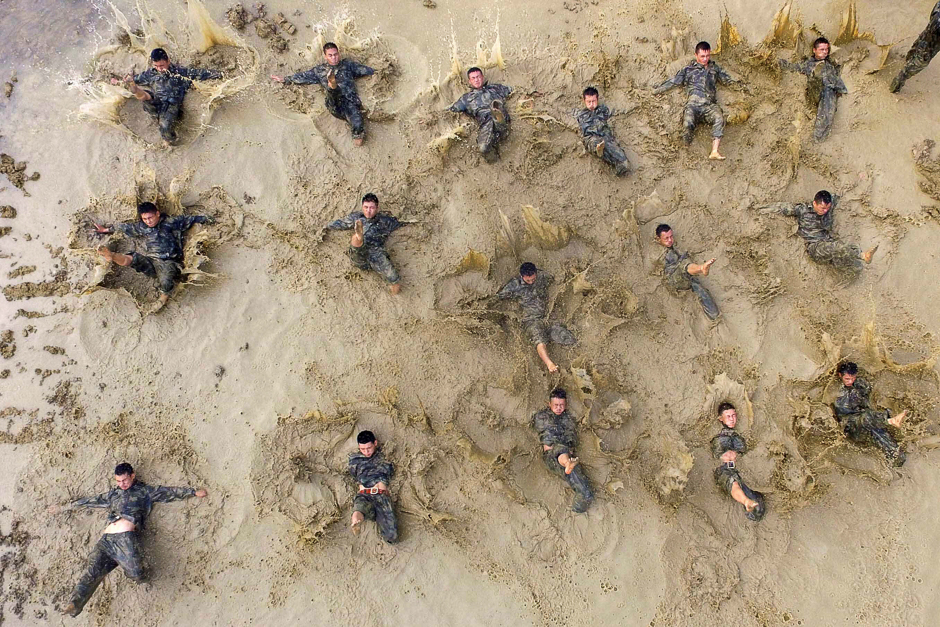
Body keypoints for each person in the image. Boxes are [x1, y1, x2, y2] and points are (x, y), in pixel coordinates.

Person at [47, 462, 208, 617]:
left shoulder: (144, 491)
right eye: (118, 481)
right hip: (106, 541)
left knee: (137, 573)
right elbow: (90, 501)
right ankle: (74, 604)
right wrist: (62, 508)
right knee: (92, 570)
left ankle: (142, 574)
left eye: (124, 480)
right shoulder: (113, 494)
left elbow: (167, 492)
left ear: (132, 475)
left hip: (125, 539)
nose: (122, 484)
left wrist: (193, 492)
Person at [93, 202, 213, 312]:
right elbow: (126, 227)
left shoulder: (170, 222)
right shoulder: (143, 227)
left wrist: (209, 219)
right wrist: (106, 230)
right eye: (145, 219)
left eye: (150, 217)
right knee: (133, 258)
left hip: (169, 261)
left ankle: (162, 300)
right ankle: (112, 255)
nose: (148, 221)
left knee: (166, 279)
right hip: (151, 261)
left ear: (157, 213)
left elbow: (192, 219)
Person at [111, 48, 222, 145]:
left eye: (162, 65)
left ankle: (170, 142)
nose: (159, 69)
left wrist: (219, 74)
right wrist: (119, 82)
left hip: (171, 106)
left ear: (168, 61)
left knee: (164, 126)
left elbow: (201, 73)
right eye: (156, 66)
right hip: (155, 102)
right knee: (146, 96)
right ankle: (136, 91)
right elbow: (136, 79)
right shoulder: (151, 74)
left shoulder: (180, 73)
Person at [652, 41, 742, 160]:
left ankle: (714, 151)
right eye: (702, 56)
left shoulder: (715, 69)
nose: (705, 59)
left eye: (708, 56)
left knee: (719, 118)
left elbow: (728, 81)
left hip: (709, 106)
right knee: (687, 123)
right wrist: (657, 90)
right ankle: (685, 149)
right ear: (696, 55)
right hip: (693, 106)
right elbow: (673, 81)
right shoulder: (688, 69)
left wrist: (742, 87)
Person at [271, 42, 375, 145]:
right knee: (332, 92)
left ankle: (356, 140)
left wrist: (378, 71)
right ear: (325, 56)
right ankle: (332, 84)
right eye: (330, 55)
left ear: (339, 54)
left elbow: (367, 70)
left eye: (335, 54)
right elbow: (303, 76)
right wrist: (285, 79)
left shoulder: (348, 65)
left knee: (358, 124)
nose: (334, 58)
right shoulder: (320, 70)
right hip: (334, 104)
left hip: (350, 103)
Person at [755, 190, 877, 275]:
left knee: (856, 267)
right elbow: (781, 207)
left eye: (827, 208)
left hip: (828, 242)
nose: (825, 211)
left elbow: (843, 194)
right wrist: (759, 209)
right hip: (815, 247)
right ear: (814, 203)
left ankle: (845, 284)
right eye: (822, 208)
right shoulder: (802, 210)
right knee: (837, 247)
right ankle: (861, 255)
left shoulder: (830, 202)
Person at [496, 262, 576, 373]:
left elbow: (558, 279)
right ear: (522, 276)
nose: (531, 282)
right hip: (530, 320)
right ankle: (549, 364)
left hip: (546, 317)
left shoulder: (543, 277)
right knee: (539, 340)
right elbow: (498, 298)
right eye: (528, 280)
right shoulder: (514, 285)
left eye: (533, 279)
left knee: (568, 337)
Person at [324, 193, 405, 294]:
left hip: (377, 253)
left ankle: (394, 294)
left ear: (377, 208)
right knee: (356, 241)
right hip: (360, 256)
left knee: (393, 278)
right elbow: (340, 224)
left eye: (372, 208)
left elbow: (403, 222)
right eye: (366, 207)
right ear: (362, 207)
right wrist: (325, 227)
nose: (368, 211)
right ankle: (359, 236)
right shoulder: (356, 217)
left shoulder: (385, 221)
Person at [531, 389, 594, 513]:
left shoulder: (568, 419)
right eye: (556, 405)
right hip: (551, 457)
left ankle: (578, 508)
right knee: (560, 450)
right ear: (549, 404)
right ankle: (567, 463)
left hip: (566, 456)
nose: (559, 408)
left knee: (585, 492)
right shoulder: (542, 417)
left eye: (561, 405)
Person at [833, 362, 907, 466]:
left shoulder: (860, 383)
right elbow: (845, 418)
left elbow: (869, 394)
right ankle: (891, 420)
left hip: (868, 419)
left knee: (881, 435)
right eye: (847, 379)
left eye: (853, 378)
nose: (850, 381)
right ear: (840, 375)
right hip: (850, 425)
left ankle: (896, 458)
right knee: (867, 418)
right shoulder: (837, 392)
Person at [779, 37, 848, 141]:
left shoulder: (830, 64)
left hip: (828, 93)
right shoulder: (808, 64)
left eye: (826, 50)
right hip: (814, 94)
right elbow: (792, 67)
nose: (825, 52)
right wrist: (776, 61)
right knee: (823, 87)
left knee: (829, 91)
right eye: (822, 49)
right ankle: (818, 138)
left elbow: (839, 80)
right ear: (814, 50)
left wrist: (840, 89)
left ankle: (819, 136)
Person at [711, 403, 765, 521]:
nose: (732, 419)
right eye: (728, 416)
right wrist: (724, 456)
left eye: (734, 415)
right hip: (724, 471)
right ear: (721, 418)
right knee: (733, 483)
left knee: (758, 510)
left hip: (739, 469)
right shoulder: (719, 439)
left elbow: (744, 452)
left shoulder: (738, 437)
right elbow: (716, 455)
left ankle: (750, 502)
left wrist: (738, 455)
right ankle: (746, 501)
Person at [654, 224, 720, 320]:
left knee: (700, 290)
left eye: (671, 236)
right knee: (684, 266)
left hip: (684, 277)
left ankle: (714, 315)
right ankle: (701, 268)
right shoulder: (659, 253)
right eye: (666, 238)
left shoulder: (674, 247)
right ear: (658, 239)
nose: (670, 240)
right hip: (672, 280)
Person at [449, 67, 513, 163]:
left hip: (501, 118)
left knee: (496, 109)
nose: (476, 80)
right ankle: (494, 160)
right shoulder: (466, 99)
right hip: (486, 124)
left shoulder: (496, 88)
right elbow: (450, 111)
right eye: (473, 78)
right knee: (482, 148)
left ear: (482, 77)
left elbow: (516, 91)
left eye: (478, 77)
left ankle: (499, 120)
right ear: (470, 81)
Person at [348, 430, 398, 543]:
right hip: (364, 495)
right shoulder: (354, 460)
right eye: (362, 449)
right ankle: (357, 518)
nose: (366, 452)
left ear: (375, 443)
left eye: (369, 448)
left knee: (392, 537)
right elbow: (353, 477)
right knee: (358, 510)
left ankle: (372, 514)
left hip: (381, 497)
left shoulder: (385, 456)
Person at [572, 86, 631, 176]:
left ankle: (617, 168)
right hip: (591, 139)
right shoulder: (580, 115)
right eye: (589, 102)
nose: (591, 104)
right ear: (584, 101)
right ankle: (598, 149)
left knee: (624, 162)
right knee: (595, 142)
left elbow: (618, 111)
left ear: (597, 99)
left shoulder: (603, 110)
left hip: (606, 139)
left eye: (593, 101)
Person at [890, 1, 940, 93]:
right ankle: (899, 81)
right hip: (932, 42)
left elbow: (934, 12)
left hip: (928, 32)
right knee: (920, 62)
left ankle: (908, 58)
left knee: (918, 44)